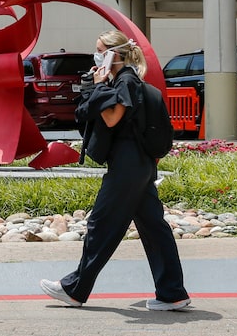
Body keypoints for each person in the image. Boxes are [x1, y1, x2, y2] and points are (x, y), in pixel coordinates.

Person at [40, 29, 191, 311]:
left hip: (128, 165)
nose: (96, 55)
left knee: (102, 225)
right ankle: (172, 293)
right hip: (140, 165)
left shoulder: (126, 81)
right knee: (154, 229)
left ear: (114, 54)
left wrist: (98, 86)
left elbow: (111, 118)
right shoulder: (126, 80)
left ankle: (75, 289)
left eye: (100, 50)